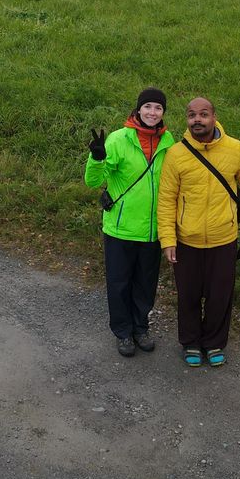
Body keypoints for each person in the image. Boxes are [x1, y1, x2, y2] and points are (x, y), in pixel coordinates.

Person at [157, 97, 240, 368]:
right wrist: (167, 239)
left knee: (220, 295)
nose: (197, 120)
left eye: (203, 114)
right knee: (188, 295)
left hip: (223, 238)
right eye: (192, 115)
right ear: (187, 120)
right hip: (186, 240)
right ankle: (191, 343)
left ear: (214, 117)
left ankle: (214, 343)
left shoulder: (234, 149)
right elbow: (167, 199)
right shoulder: (176, 154)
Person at [85, 88, 175, 357]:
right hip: (120, 229)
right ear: (138, 110)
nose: (152, 112)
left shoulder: (169, 142)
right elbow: (92, 181)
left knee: (145, 285)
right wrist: (97, 158)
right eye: (147, 107)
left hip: (151, 231)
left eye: (158, 108)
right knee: (119, 283)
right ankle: (123, 332)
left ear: (163, 113)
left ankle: (140, 327)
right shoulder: (118, 139)